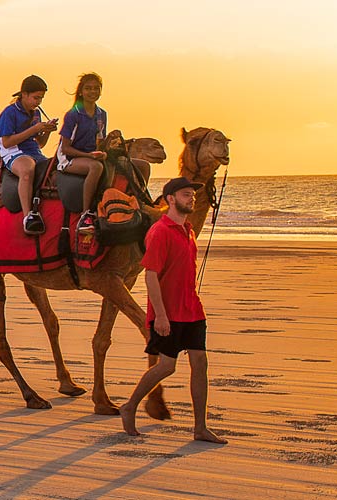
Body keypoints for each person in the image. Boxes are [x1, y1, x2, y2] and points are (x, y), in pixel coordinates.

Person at [121, 177, 226, 444]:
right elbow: (151, 275)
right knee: (166, 366)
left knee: (200, 363)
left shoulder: (188, 231)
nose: (191, 198)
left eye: (192, 194)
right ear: (170, 199)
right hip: (168, 313)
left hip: (192, 309)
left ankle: (200, 427)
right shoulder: (160, 231)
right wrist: (161, 315)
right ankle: (131, 405)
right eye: (185, 194)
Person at [0, 75, 60, 234]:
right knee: (27, 169)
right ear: (24, 94)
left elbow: (39, 143)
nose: (38, 102)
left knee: (58, 168)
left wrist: (47, 131)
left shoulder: (36, 113)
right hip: (14, 152)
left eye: (41, 98)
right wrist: (34, 129)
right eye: (35, 97)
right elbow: (7, 142)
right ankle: (28, 216)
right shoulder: (9, 113)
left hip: (34, 152)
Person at [60, 73, 116, 235]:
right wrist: (90, 157)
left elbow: (100, 141)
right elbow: (65, 148)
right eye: (88, 88)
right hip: (70, 158)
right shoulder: (73, 115)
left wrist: (105, 149)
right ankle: (85, 215)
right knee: (96, 167)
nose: (93, 92)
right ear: (81, 92)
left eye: (96, 88)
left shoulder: (101, 114)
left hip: (90, 155)